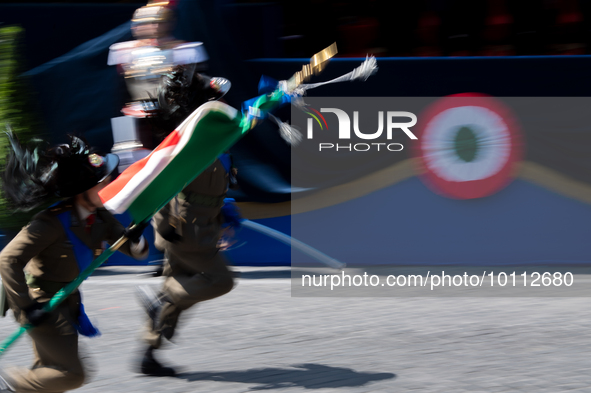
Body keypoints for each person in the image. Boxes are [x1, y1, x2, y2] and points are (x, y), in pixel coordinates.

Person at [0, 134, 149, 393]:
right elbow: (8, 259)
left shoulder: (100, 218)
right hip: (42, 302)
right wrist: (26, 306)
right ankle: (8, 384)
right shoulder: (50, 223)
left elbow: (136, 253)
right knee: (71, 374)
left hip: (67, 299)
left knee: (49, 370)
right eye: (103, 182)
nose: (111, 183)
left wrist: (135, 238)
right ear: (83, 191)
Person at [134, 65, 237, 377]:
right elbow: (157, 185)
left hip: (200, 222)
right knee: (219, 281)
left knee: (182, 291)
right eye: (213, 100)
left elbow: (216, 182)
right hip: (185, 227)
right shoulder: (184, 142)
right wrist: (164, 228)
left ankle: (148, 356)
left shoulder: (211, 136)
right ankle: (160, 299)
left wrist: (227, 214)